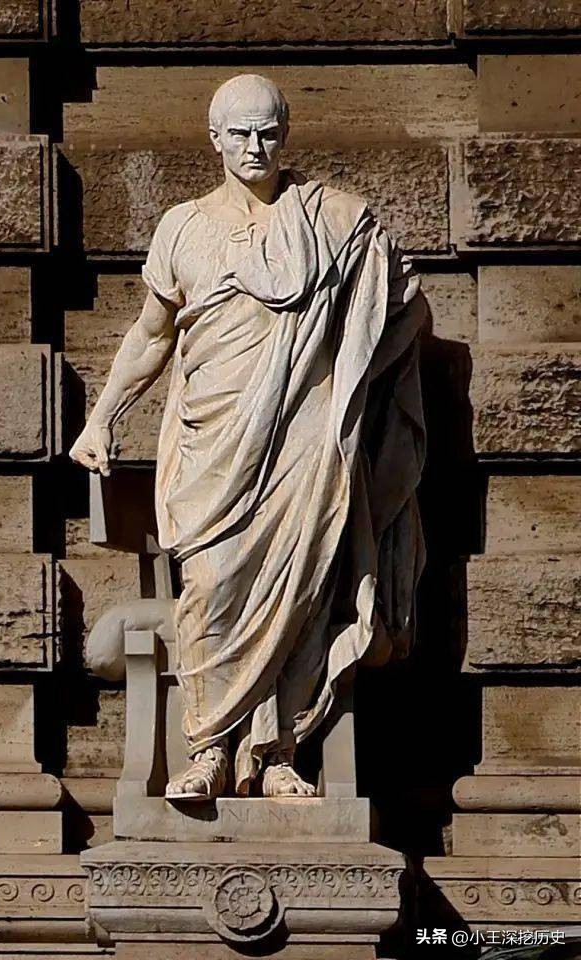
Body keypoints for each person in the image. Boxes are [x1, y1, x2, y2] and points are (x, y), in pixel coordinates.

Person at [70, 74, 426, 801]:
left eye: (267, 132)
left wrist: (350, 377)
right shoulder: (183, 227)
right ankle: (207, 748)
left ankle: (279, 752)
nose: (255, 146)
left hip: (303, 443)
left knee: (302, 589)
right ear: (215, 139)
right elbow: (152, 335)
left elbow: (401, 307)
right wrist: (102, 415)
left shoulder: (338, 223)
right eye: (240, 133)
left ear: (285, 133)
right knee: (209, 586)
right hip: (212, 441)